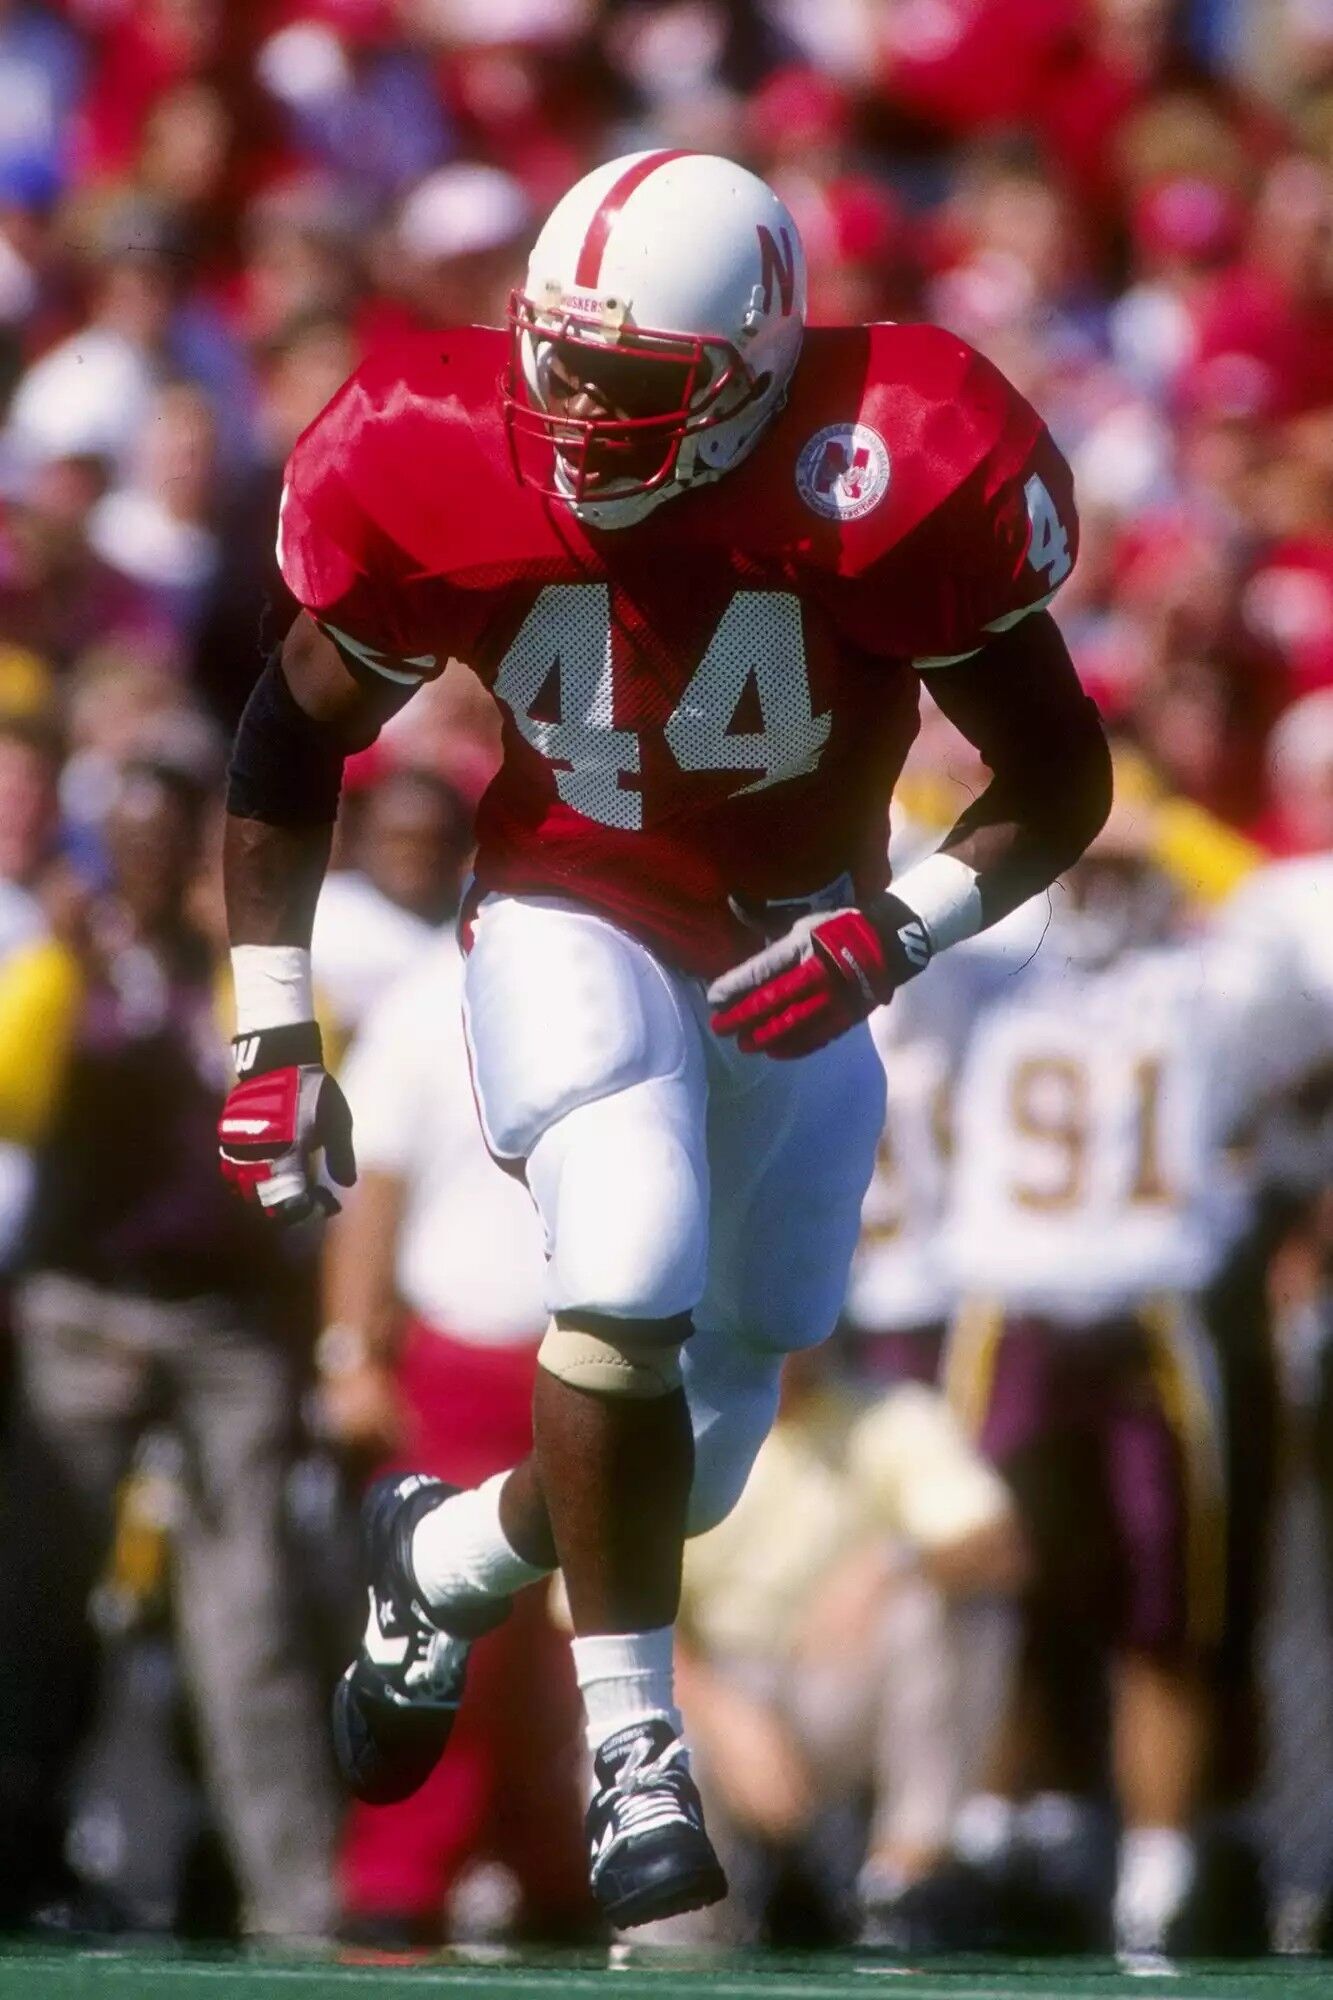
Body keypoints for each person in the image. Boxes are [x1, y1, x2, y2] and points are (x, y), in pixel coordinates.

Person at [215, 149, 1111, 1928]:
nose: (568, 415)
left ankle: (446, 1558)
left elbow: (1056, 776)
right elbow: (287, 731)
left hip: (794, 952)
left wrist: (887, 931)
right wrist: (268, 1026)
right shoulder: (434, 446)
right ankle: (635, 1742)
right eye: (551, 361)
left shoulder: (893, 464)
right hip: (568, 906)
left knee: (694, 1456)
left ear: (759, 372)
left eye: (624, 386)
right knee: (623, 1237)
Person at [937, 813, 1332, 1959]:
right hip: (1007, 1307)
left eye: (1116, 865)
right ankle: (990, 1834)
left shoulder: (1213, 978)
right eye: (1080, 860)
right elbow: (896, 872)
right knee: (991, 1589)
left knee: (1176, 1604)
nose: (1097, 887)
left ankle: (1158, 1868)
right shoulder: (980, 962)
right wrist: (1031, 822)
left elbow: (1298, 943)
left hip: (1155, 1312)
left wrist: (1161, 825)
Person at [0, 756, 337, 1937]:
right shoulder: (65, 967)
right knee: (39, 1593)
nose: (143, 863)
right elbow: (12, 1088)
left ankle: (293, 1900)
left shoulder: (235, 980)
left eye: (164, 840)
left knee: (247, 1612)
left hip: (223, 1324)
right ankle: (19, 1852)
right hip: (83, 1308)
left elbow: (298, 1120)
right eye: (125, 841)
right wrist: (69, 960)